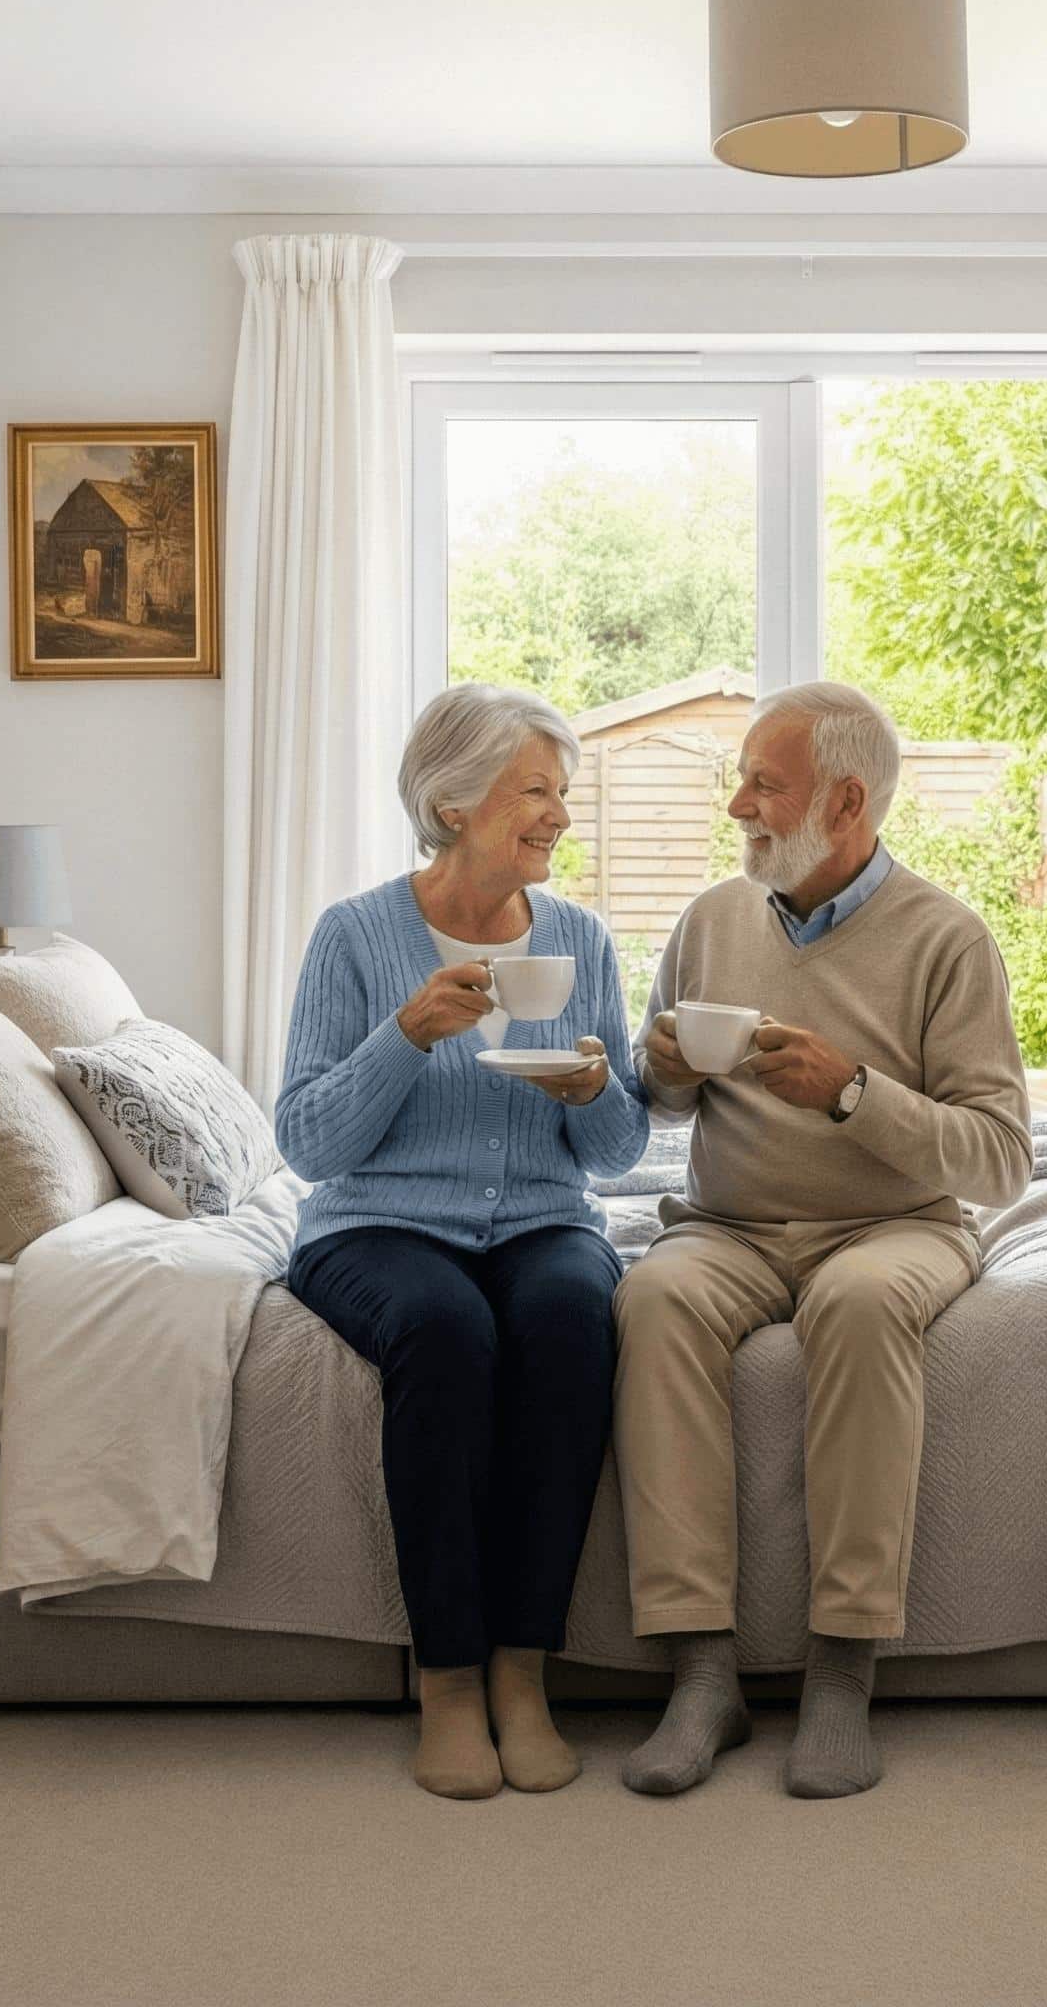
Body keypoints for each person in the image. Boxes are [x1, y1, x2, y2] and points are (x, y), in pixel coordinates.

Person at [613, 680, 1033, 1800]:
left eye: (763, 781)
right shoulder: (709, 918)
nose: (737, 802)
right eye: (739, 777)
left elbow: (997, 1157)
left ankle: (841, 1670)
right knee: (650, 1301)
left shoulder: (946, 938)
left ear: (845, 801)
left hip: (889, 1224)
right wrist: (658, 1066)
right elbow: (649, 1098)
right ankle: (700, 1669)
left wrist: (852, 1093)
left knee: (854, 1306)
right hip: (730, 1225)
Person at [277, 683, 649, 1800]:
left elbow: (620, 1147)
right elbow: (306, 1141)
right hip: (377, 1222)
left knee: (569, 1318)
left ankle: (520, 1672)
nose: (558, 816)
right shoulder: (355, 934)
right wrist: (404, 1034)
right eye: (535, 790)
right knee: (444, 1332)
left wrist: (590, 1086)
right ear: (450, 800)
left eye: (560, 793)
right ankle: (445, 1680)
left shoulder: (579, 937)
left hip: (539, 1214)